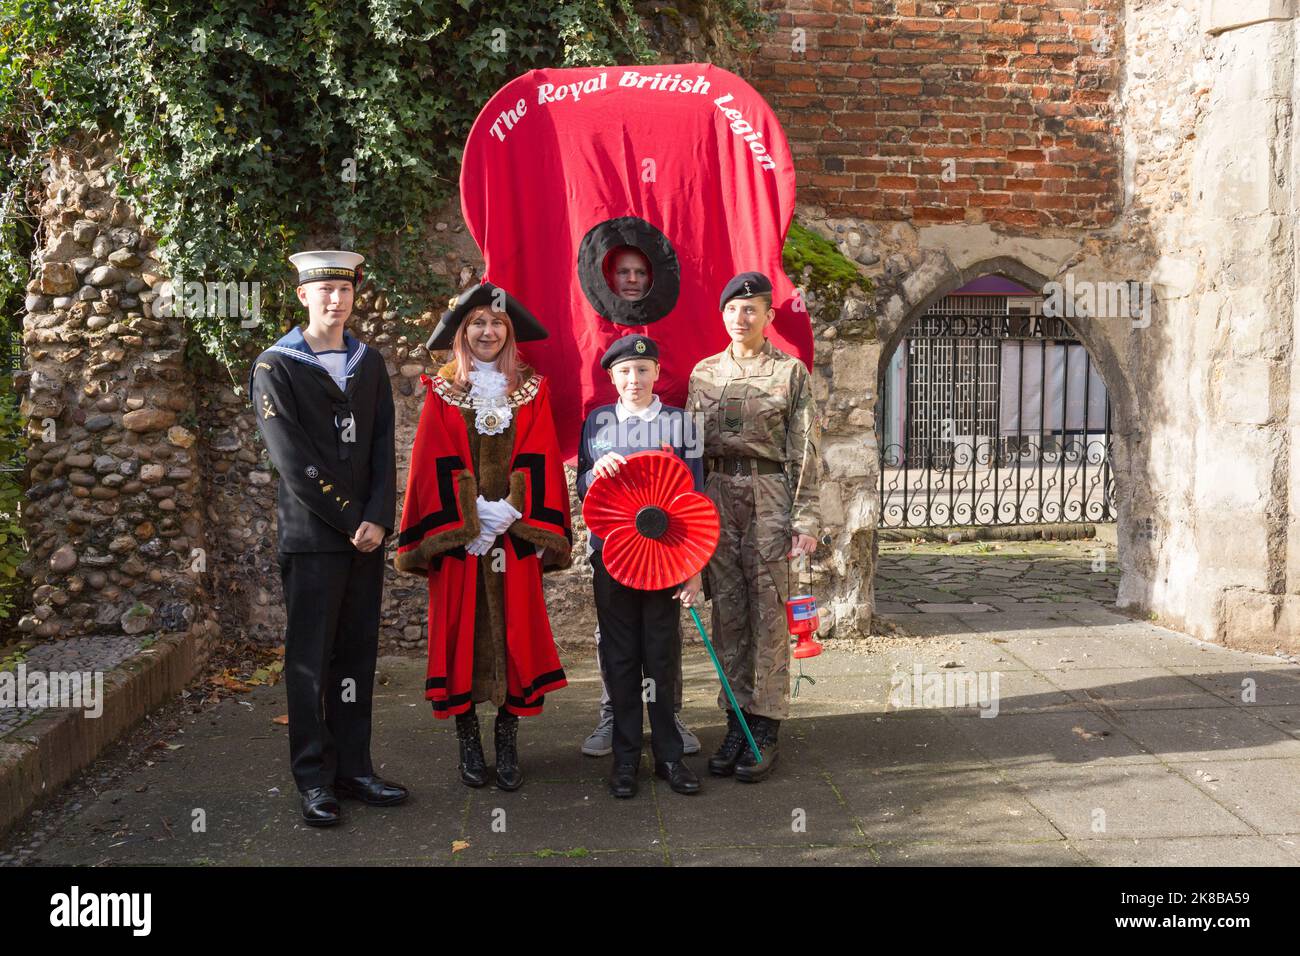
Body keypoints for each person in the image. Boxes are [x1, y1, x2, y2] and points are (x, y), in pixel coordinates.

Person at [249, 249, 406, 826]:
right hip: (315, 538)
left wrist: (380, 517)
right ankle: (314, 778)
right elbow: (292, 460)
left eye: (343, 289)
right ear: (302, 296)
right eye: (324, 291)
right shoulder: (276, 366)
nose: (335, 300)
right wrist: (350, 520)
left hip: (367, 536)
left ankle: (355, 768)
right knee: (311, 661)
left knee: (356, 656)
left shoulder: (369, 362)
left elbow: (383, 447)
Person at [394, 282, 572, 792]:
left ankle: (508, 738)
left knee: (515, 633)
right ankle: (468, 741)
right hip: (460, 541)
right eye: (477, 323)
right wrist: (469, 520)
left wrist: (510, 513)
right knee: (461, 633)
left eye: (496, 324)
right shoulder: (442, 389)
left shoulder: (533, 388)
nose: (488, 331)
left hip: (513, 538)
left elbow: (540, 453)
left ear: (509, 333)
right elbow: (432, 460)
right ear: (462, 333)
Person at [686, 271, 820, 783]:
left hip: (769, 497)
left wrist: (804, 518)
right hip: (717, 497)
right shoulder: (704, 374)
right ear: (722, 316)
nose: (740, 318)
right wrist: (687, 518)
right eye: (732, 310)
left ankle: (765, 726)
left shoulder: (790, 373)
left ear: (768, 316)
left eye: (751, 310)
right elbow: (690, 452)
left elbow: (805, 448)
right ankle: (735, 722)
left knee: (769, 613)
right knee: (729, 613)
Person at [583, 247, 701, 758]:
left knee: (663, 639)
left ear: (657, 374)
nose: (635, 380)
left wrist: (693, 562)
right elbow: (585, 486)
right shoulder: (597, 423)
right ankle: (615, 718)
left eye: (643, 370)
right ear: (613, 379)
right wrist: (594, 471)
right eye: (625, 372)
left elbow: (695, 493)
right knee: (615, 638)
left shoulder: (681, 423)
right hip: (611, 550)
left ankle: (670, 721)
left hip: (667, 550)